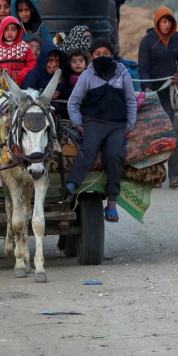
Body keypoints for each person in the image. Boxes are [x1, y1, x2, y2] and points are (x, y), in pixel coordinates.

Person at [64, 39, 137, 223]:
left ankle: (111, 202)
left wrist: (129, 125)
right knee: (87, 149)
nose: (102, 56)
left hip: (117, 125)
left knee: (114, 156)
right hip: (94, 122)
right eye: (98, 54)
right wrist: (78, 123)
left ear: (112, 55)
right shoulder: (87, 76)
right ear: (91, 56)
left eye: (106, 53)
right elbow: (73, 102)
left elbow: (131, 100)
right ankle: (71, 184)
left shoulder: (123, 73)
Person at [137, 7, 178, 189]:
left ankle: (174, 175)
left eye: (169, 22)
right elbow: (143, 69)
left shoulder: (177, 40)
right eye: (164, 21)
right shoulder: (147, 41)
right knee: (154, 135)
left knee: (173, 132)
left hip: (170, 94)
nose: (167, 25)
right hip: (153, 95)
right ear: (157, 22)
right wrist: (147, 88)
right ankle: (156, 175)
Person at [0, 16, 36, 87]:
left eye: (13, 29)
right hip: (4, 84)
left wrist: (21, 77)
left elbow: (31, 64)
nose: (10, 32)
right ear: (2, 31)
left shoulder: (24, 46)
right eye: (6, 29)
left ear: (18, 31)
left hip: (22, 83)